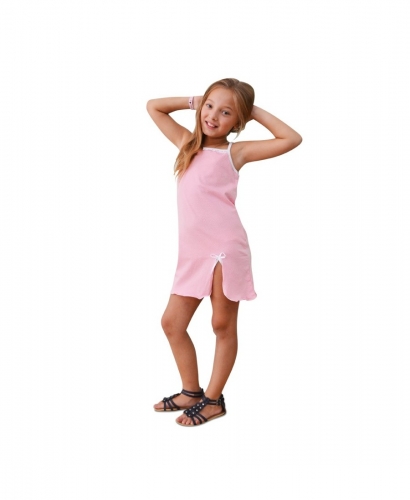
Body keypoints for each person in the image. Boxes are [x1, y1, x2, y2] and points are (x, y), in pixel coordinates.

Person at [146, 78, 302, 426]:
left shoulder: (235, 153)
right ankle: (191, 392)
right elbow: (153, 106)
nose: (213, 116)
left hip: (224, 250)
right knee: (172, 323)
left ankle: (214, 400)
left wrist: (252, 110)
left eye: (226, 112)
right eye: (210, 106)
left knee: (221, 324)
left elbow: (291, 138)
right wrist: (195, 99)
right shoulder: (186, 143)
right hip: (192, 253)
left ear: (238, 121)